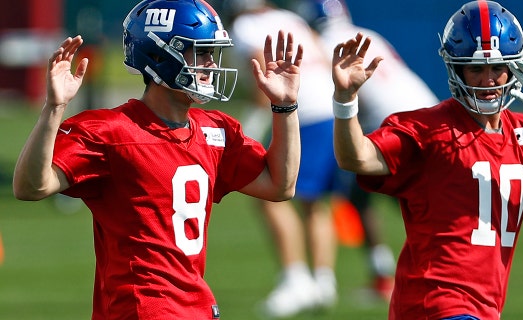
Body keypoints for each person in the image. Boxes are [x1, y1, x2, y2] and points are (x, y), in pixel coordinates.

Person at [12, 0, 303, 318]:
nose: (210, 64)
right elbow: (31, 187)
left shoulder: (215, 129)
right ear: (161, 56)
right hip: (142, 308)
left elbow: (280, 185)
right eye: (201, 51)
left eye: (211, 52)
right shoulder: (110, 131)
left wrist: (285, 107)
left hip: (198, 306)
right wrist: (53, 108)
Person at [330, 1, 523, 319]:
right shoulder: (427, 128)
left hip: (483, 305)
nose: (488, 80)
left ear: (514, 66)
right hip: (436, 301)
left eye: (497, 68)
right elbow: (357, 159)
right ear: (456, 68)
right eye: (475, 68)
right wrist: (345, 100)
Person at [293, 0, 440, 301]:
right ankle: (393, 272)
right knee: (375, 195)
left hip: (394, 123)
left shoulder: (323, 41)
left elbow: (329, 95)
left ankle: (403, 274)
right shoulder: (366, 32)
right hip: (429, 111)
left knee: (393, 196)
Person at [224, 0, 339, 317]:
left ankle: (296, 279)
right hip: (328, 109)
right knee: (315, 202)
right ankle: (323, 281)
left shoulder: (245, 25)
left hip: (301, 113)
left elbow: (263, 74)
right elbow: (322, 54)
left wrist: (251, 126)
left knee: (271, 195)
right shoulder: (289, 17)